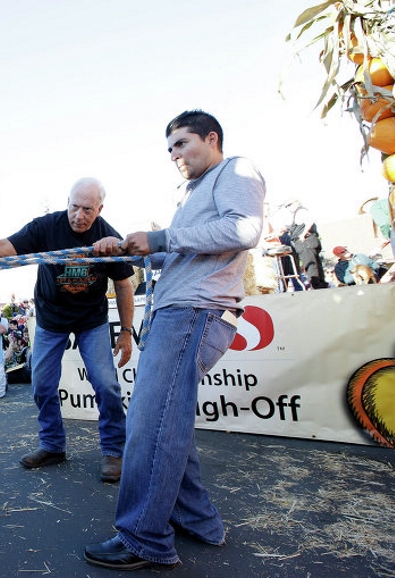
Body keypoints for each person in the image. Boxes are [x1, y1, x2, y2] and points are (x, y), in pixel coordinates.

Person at [82, 110, 266, 570]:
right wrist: (130, 246)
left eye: (182, 144)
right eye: (169, 149)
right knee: (167, 422)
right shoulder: (192, 193)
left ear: (212, 138)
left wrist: (164, 236)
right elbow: (180, 250)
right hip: (178, 312)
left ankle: (144, 538)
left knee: (151, 423)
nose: (174, 155)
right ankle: (199, 521)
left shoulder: (236, 170)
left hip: (195, 312)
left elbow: (245, 229)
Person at [0, 177, 135, 482]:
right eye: (74, 207)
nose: (79, 215)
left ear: (100, 208)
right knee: (41, 385)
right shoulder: (46, 228)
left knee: (106, 384)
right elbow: (5, 248)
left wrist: (126, 332)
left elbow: (123, 285)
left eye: (87, 210)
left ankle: (114, 451)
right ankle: (52, 445)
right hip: (51, 319)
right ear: (67, 202)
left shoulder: (109, 238)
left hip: (91, 319)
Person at [276, 200, 328, 289]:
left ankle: (317, 285)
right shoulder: (297, 214)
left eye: (289, 205)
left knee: (310, 264)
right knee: (314, 263)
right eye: (286, 206)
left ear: (296, 203)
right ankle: (320, 284)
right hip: (306, 241)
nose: (288, 208)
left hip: (306, 242)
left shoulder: (301, 211)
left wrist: (303, 235)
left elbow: (309, 222)